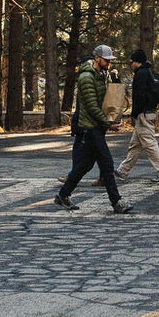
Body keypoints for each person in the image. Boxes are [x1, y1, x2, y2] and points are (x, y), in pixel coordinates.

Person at [55, 45, 133, 213]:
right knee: (107, 164)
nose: (109, 63)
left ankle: (63, 194)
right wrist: (107, 123)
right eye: (106, 60)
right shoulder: (86, 78)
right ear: (97, 58)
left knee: (85, 165)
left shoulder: (101, 75)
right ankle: (117, 202)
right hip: (90, 128)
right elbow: (91, 106)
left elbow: (106, 101)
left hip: (96, 126)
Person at [117, 49, 159, 184]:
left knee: (150, 144)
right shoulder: (151, 72)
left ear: (137, 62)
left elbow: (138, 97)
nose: (131, 64)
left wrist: (134, 114)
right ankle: (122, 171)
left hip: (143, 114)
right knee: (135, 145)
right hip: (151, 112)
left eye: (132, 62)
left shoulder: (140, 74)